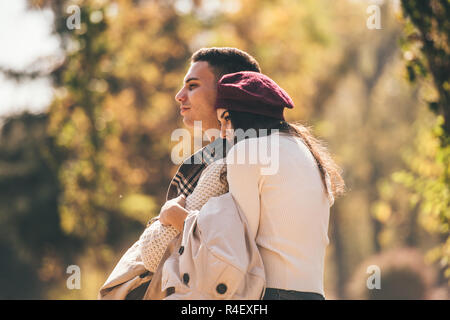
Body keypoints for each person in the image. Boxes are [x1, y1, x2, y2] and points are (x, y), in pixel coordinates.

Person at [160, 71, 345, 300]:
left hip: (272, 294)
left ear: (238, 116)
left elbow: (234, 243)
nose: (224, 133)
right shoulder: (310, 156)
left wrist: (176, 216)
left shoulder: (247, 152)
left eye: (224, 120)